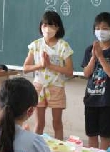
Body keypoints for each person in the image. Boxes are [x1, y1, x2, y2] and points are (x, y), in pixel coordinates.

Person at [23, 11, 73, 140]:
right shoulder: (36, 45)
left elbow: (69, 71)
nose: (48, 29)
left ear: (58, 28)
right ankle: (35, 149)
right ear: (41, 26)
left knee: (57, 124)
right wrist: (40, 65)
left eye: (52, 26)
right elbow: (26, 68)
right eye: (45, 25)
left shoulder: (63, 46)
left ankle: (59, 151)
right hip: (39, 87)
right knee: (39, 124)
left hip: (56, 87)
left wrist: (50, 65)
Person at [81, 12, 110, 150]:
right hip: (91, 98)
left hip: (108, 100)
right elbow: (86, 73)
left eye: (105, 28)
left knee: (105, 136)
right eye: (98, 28)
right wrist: (93, 57)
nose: (101, 31)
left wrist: (100, 56)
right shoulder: (90, 49)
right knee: (91, 135)